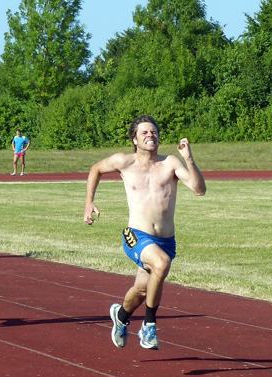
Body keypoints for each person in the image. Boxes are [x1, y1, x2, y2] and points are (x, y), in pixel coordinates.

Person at [83, 114, 206, 350]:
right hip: (136, 235)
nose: (151, 135)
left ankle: (121, 317)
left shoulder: (170, 163)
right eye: (144, 133)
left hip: (165, 240)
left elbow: (199, 190)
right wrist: (89, 203)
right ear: (135, 140)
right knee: (161, 264)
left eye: (154, 132)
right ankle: (148, 326)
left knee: (141, 290)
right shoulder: (124, 161)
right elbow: (96, 169)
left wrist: (189, 159)